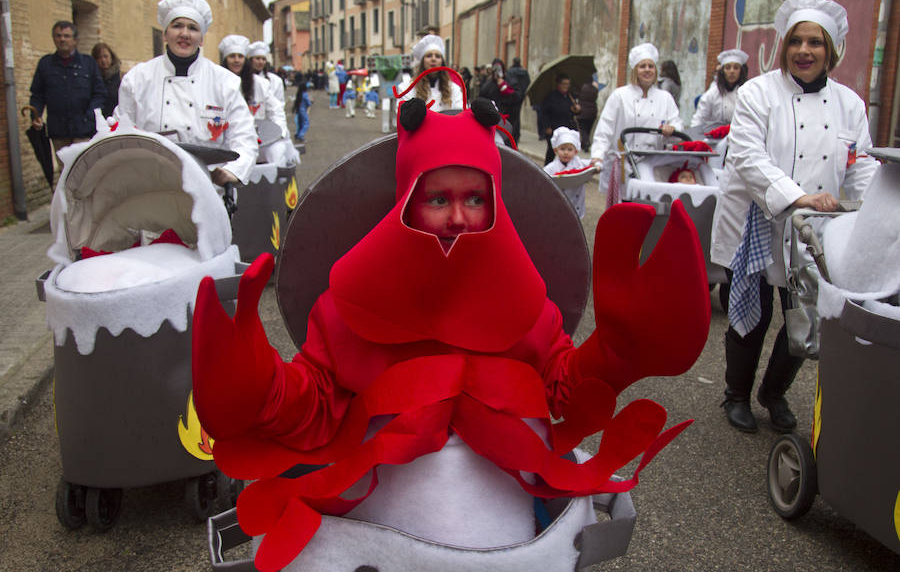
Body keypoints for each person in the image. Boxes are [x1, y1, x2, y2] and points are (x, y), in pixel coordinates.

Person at [190, 91, 710, 570]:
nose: (458, 216)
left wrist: (617, 351)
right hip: (382, 540)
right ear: (408, 201)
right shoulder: (346, 304)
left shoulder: (525, 300)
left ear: (494, 201)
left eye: (474, 199)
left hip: (510, 546)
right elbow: (316, 400)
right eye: (438, 199)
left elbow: (562, 387)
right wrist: (260, 387)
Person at [710, 0, 879, 433]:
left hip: (815, 229)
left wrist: (881, 206)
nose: (804, 51)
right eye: (796, 42)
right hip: (760, 221)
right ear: (784, 47)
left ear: (831, 50)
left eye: (815, 42)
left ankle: (773, 394)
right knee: (755, 314)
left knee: (805, 318)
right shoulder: (758, 93)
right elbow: (747, 157)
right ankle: (737, 394)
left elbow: (858, 168)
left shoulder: (850, 105)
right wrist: (798, 196)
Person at [115, 0, 257, 185]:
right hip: (150, 186)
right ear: (165, 34)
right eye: (177, 25)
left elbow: (244, 135)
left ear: (202, 39)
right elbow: (120, 134)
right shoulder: (138, 79)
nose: (184, 34)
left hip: (208, 186)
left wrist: (233, 171)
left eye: (193, 28)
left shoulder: (225, 82)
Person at [590, 43, 682, 187]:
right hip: (623, 166)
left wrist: (672, 129)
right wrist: (597, 156)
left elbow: (677, 125)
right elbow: (605, 129)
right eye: (642, 66)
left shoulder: (665, 98)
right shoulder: (620, 95)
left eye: (651, 66)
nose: (647, 70)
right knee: (623, 207)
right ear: (634, 70)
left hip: (652, 166)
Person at [29, 21, 106, 177]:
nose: (62, 39)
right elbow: (37, 94)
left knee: (83, 170)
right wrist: (35, 116)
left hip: (83, 129)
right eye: (58, 36)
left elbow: (99, 94)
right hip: (59, 130)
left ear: (75, 40)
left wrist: (90, 116)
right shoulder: (46, 64)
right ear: (53, 39)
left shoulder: (88, 63)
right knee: (65, 172)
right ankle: (67, 201)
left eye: (66, 36)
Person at [218, 34, 290, 142]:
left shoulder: (260, 83)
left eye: (240, 56)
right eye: (232, 56)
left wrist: (279, 133)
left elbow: (276, 111)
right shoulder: (217, 83)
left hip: (258, 137)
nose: (236, 60)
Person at [396, 35, 463, 112]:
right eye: (429, 56)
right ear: (422, 62)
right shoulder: (407, 88)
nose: (433, 59)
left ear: (442, 62)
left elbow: (460, 114)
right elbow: (403, 117)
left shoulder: (454, 89)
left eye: (437, 56)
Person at [690, 49, 749, 130]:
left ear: (741, 71)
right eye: (728, 68)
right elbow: (699, 118)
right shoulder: (712, 93)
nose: (732, 71)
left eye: (736, 68)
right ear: (722, 71)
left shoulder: (746, 93)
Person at [543, 127, 589, 218]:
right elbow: (541, 177)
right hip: (558, 203)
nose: (566, 153)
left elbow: (593, 164)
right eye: (562, 149)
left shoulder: (579, 163)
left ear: (575, 151)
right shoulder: (551, 168)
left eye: (569, 149)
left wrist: (598, 166)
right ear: (556, 150)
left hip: (576, 204)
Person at [538, 73, 581, 164]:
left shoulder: (570, 96)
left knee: (567, 152)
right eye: (564, 84)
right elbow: (544, 113)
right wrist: (547, 126)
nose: (566, 86)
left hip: (567, 128)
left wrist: (576, 110)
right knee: (552, 151)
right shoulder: (551, 97)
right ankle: (547, 171)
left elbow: (573, 111)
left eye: (568, 84)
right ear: (559, 84)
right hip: (554, 128)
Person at [247, 41, 285, 105]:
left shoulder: (275, 80)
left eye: (263, 59)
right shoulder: (244, 79)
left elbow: (279, 104)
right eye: (257, 58)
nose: (261, 62)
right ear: (251, 60)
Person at [91, 42, 122, 119]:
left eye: (106, 56)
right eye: (99, 57)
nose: (103, 60)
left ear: (111, 57)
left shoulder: (121, 77)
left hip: (116, 121)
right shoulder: (92, 78)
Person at [505, 57, 531, 144]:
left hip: (512, 97)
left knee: (512, 118)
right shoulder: (525, 72)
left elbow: (509, 83)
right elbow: (528, 83)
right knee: (517, 117)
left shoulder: (510, 72)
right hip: (521, 97)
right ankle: (516, 135)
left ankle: (512, 135)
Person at [576, 74, 599, 153]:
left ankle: (586, 142)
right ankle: (584, 145)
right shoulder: (595, 89)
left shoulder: (581, 88)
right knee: (588, 129)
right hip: (592, 112)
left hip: (582, 112)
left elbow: (577, 96)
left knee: (583, 129)